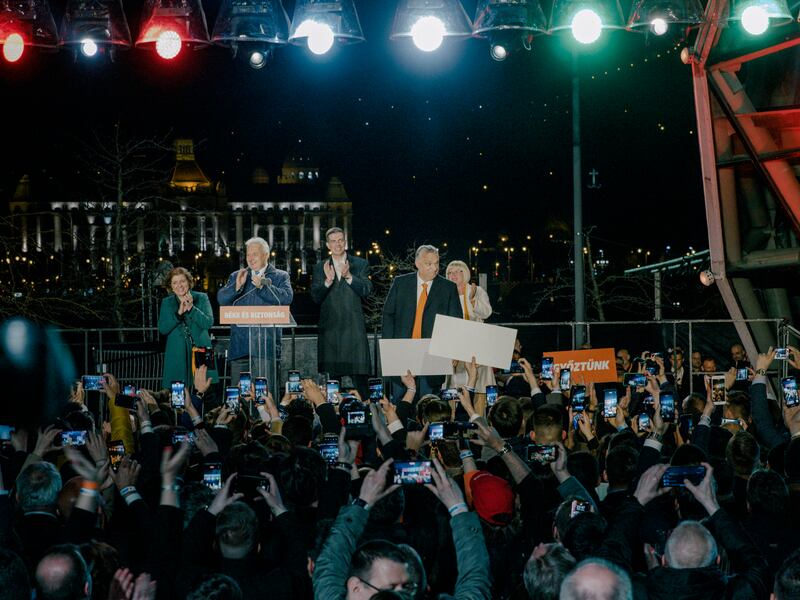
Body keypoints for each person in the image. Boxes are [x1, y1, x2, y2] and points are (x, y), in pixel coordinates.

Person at [381, 245, 462, 397]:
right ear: (417, 263)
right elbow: (388, 315)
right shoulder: (401, 283)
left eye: (437, 263)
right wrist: (389, 349)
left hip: (433, 356)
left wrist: (453, 352)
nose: (435, 268)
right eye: (429, 264)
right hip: (402, 354)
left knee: (429, 405)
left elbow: (455, 323)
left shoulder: (448, 288)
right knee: (401, 402)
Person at [217, 237, 294, 389]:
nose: (250, 258)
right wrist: (236, 288)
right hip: (240, 347)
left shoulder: (280, 276)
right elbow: (221, 299)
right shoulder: (237, 276)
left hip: (266, 347)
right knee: (238, 397)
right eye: (248, 255)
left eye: (255, 254)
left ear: (266, 254)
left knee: (265, 395)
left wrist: (263, 288)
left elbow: (286, 298)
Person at [310, 227, 372, 386]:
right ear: (328, 245)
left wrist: (349, 276)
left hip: (354, 333)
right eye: (333, 241)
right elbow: (316, 297)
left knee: (361, 387)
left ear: (345, 242)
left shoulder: (360, 264)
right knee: (331, 389)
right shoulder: (319, 267)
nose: (338, 244)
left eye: (340, 240)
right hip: (330, 334)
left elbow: (366, 290)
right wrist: (327, 282)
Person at [444, 260, 495, 412]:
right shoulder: (445, 292)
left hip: (475, 346)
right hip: (454, 347)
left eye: (456, 271)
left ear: (464, 273)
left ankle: (478, 423)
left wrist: (473, 299)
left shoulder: (477, 290)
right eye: (449, 273)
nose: (453, 275)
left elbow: (487, 312)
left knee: (479, 386)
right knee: (454, 388)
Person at [157, 267, 215, 390]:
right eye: (175, 282)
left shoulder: (202, 297)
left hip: (201, 351)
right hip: (177, 354)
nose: (179, 285)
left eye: (182, 281)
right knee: (178, 396)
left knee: (204, 392)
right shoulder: (167, 303)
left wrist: (192, 309)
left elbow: (208, 323)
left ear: (189, 282)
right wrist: (178, 314)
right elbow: (163, 329)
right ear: (171, 287)